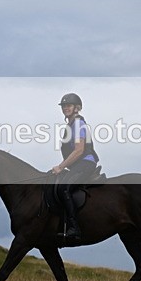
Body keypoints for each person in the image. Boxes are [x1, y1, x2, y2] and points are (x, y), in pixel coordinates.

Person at [50, 93, 99, 242]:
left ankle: (74, 228)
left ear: (77, 108)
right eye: (64, 106)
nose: (65, 108)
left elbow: (79, 150)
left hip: (86, 162)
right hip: (77, 164)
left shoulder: (78, 124)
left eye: (68, 105)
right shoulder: (70, 125)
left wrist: (60, 167)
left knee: (64, 188)